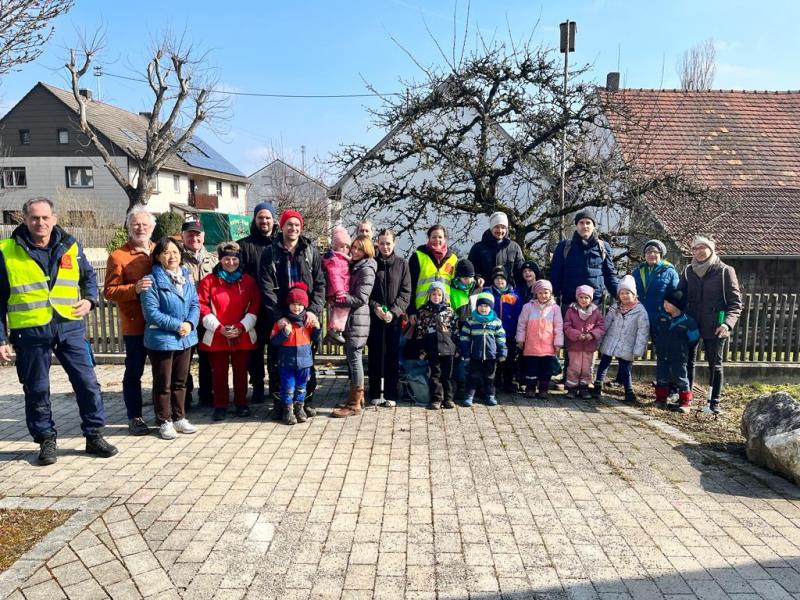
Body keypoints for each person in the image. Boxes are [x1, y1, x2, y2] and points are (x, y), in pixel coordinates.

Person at [0, 197, 118, 465]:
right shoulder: (6, 250)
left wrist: (89, 299)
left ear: (54, 218)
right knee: (37, 389)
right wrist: (1, 338)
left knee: (87, 383)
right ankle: (46, 439)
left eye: (45, 218)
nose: (40, 223)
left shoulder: (71, 245)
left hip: (69, 327)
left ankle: (94, 435)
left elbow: (89, 277)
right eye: (34, 218)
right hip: (30, 332)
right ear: (25, 219)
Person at [259, 209, 326, 420]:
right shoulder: (270, 252)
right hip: (281, 316)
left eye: (297, 225)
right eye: (289, 224)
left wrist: (314, 311)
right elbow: (266, 288)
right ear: (282, 226)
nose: (293, 228)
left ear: (301, 227)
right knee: (278, 363)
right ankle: (281, 405)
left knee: (306, 362)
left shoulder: (310, 251)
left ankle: (304, 402)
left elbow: (320, 284)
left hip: (305, 315)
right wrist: (279, 316)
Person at [551, 209, 619, 387]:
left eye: (588, 223)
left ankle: (586, 378)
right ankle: (569, 377)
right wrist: (552, 296)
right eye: (581, 223)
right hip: (569, 301)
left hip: (593, 304)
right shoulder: (564, 247)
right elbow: (555, 274)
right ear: (576, 225)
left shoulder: (603, 248)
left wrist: (619, 295)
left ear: (594, 226)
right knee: (570, 340)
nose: (585, 226)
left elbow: (610, 275)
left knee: (590, 341)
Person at [141, 237, 200, 440]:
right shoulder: (152, 280)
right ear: (158, 257)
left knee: (180, 381)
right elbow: (151, 313)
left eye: (175, 252)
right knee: (163, 382)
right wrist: (178, 325)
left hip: (186, 338)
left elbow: (195, 304)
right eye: (166, 252)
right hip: (162, 338)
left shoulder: (186, 276)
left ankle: (179, 417)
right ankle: (164, 420)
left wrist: (190, 324)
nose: (172, 256)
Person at [103, 206, 155, 435]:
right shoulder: (118, 256)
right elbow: (109, 291)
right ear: (128, 227)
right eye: (136, 224)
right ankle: (135, 416)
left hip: (160, 323)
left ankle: (166, 411)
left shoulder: (160, 250)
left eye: (145, 224)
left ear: (152, 227)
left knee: (163, 370)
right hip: (135, 323)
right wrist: (134, 289)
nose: (140, 228)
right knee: (134, 371)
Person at [679, 235, 742, 414]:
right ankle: (686, 397)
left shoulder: (724, 271)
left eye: (702, 247)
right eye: (695, 248)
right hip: (691, 324)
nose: (698, 251)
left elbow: (735, 303)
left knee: (715, 364)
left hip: (715, 325)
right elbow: (679, 296)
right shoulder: (688, 271)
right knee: (687, 361)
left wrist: (727, 324)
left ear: (711, 249)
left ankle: (713, 403)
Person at [197, 241, 260, 421]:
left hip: (242, 333)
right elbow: (202, 306)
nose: (230, 262)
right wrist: (219, 328)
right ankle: (220, 404)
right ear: (220, 259)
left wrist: (241, 327)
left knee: (241, 372)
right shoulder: (209, 281)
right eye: (226, 259)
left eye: (234, 259)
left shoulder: (249, 281)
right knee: (219, 373)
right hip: (218, 334)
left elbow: (255, 306)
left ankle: (241, 403)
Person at [237, 201, 279, 404]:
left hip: (275, 307)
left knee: (276, 348)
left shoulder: (279, 244)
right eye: (260, 217)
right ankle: (258, 386)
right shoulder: (244, 246)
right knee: (254, 349)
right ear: (255, 220)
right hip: (253, 308)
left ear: (274, 220)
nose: (264, 221)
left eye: (268, 217)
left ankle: (275, 385)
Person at [332, 234, 377, 418]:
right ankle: (358, 398)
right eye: (354, 247)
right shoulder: (357, 266)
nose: (355, 251)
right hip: (354, 318)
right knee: (352, 359)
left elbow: (361, 298)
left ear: (366, 250)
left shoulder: (366, 269)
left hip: (358, 318)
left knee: (355, 360)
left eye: (359, 248)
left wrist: (341, 299)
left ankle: (354, 404)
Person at [367, 229, 411, 407]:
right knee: (375, 355)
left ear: (394, 244)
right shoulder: (371, 263)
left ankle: (391, 393)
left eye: (388, 243)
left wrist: (393, 312)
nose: (385, 246)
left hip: (394, 318)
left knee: (392, 356)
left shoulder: (402, 264)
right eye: (382, 243)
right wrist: (375, 307)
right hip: (375, 317)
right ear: (377, 243)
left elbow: (406, 292)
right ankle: (376, 392)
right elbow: (365, 290)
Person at [270, 283, 321, 425]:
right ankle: (288, 410)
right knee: (288, 386)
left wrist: (317, 328)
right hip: (287, 362)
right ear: (288, 305)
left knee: (301, 386)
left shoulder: (308, 321)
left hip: (304, 362)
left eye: (299, 304)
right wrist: (284, 333)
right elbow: (273, 341)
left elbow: (316, 338)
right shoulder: (282, 322)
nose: (296, 307)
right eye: (293, 304)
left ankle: (300, 408)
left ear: (305, 305)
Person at [594, 275, 650, 403]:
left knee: (625, 368)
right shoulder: (615, 308)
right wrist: (600, 339)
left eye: (627, 293)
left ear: (634, 294)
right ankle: (598, 385)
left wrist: (638, 349)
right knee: (604, 363)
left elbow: (643, 331)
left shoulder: (640, 311)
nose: (624, 296)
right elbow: (606, 324)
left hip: (627, 343)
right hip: (611, 340)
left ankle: (629, 391)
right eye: (622, 293)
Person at [180, 219, 218, 407]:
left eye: (197, 234)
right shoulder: (176, 259)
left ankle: (207, 394)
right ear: (183, 236)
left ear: (203, 237)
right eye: (190, 234)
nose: (194, 238)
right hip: (184, 318)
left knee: (207, 359)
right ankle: (184, 397)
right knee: (183, 359)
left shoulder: (214, 260)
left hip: (207, 317)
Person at [654, 289, 700, 413]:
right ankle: (660, 399)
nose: (665, 305)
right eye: (664, 302)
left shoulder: (688, 322)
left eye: (668, 303)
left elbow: (694, 338)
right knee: (661, 377)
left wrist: (682, 348)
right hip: (663, 355)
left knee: (681, 378)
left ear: (677, 305)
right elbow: (657, 333)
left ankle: (685, 402)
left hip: (679, 356)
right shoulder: (663, 319)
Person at [414, 281, 458, 410]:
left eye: (439, 295)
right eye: (434, 294)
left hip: (448, 347)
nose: (436, 297)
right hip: (432, 347)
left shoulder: (449, 311)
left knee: (448, 375)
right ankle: (437, 399)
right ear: (429, 295)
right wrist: (422, 349)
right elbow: (420, 331)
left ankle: (449, 398)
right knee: (435, 374)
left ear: (443, 296)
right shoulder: (423, 311)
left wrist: (457, 347)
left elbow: (455, 330)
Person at [516, 280, 563, 400]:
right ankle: (530, 388)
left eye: (546, 292)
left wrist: (558, 343)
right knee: (531, 369)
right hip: (532, 346)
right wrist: (520, 339)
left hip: (548, 347)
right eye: (540, 293)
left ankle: (543, 389)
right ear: (535, 294)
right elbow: (522, 325)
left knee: (546, 370)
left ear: (551, 293)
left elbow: (558, 327)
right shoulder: (528, 307)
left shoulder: (555, 309)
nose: (543, 295)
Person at [459, 291, 507, 407]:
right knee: (473, 376)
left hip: (491, 355)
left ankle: (490, 395)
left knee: (490, 377)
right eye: (480, 305)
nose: (483, 308)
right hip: (474, 355)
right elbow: (464, 338)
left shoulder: (496, 322)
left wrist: (502, 351)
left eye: (486, 306)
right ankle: (469, 396)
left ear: (490, 307)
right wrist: (465, 352)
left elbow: (501, 338)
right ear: (477, 306)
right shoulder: (471, 320)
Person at [563, 285, 605, 399]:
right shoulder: (571, 311)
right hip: (574, 345)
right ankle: (572, 388)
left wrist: (591, 335)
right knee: (574, 367)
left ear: (590, 299)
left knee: (587, 368)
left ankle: (584, 388)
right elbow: (567, 326)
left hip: (589, 346)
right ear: (577, 298)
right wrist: (577, 335)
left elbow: (601, 326)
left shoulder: (596, 312)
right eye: (581, 297)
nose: (583, 300)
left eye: (586, 297)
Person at [632, 239, 679, 338]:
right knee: (636, 347)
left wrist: (669, 314)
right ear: (644, 254)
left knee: (661, 348)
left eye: (655, 252)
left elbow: (675, 295)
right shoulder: (637, 271)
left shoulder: (669, 272)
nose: (651, 254)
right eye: (648, 252)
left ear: (661, 254)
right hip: (640, 316)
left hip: (661, 317)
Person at [408, 224, 458, 317]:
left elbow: (456, 286)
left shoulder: (453, 259)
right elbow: (410, 285)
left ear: (445, 238)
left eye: (440, 237)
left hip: (445, 311)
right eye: (434, 237)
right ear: (429, 238)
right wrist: (411, 311)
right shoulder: (418, 256)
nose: (437, 240)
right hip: (422, 310)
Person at [487, 265, 523, 393]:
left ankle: (508, 382)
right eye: (496, 278)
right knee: (494, 358)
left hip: (509, 333)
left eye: (502, 278)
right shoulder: (488, 293)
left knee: (509, 359)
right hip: (492, 333)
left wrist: (517, 333)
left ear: (507, 280)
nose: (499, 281)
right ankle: (494, 382)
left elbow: (519, 315)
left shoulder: (514, 295)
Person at [467, 211, 525, 287]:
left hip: (508, 293)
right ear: (491, 228)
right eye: (497, 227)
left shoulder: (514, 248)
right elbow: (470, 271)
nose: (500, 231)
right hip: (485, 292)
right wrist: (477, 277)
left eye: (503, 227)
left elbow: (520, 272)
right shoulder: (478, 248)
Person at [450, 258, 480, 401]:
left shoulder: (478, 289)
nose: (467, 280)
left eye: (470, 277)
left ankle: (476, 387)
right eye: (464, 277)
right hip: (459, 329)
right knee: (460, 360)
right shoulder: (452, 290)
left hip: (476, 330)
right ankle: (461, 387)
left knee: (475, 359)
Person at [322, 225, 351, 345]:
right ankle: (334, 330)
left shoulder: (344, 259)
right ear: (335, 246)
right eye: (341, 246)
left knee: (340, 310)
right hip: (338, 290)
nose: (344, 249)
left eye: (346, 246)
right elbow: (335, 277)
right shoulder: (335, 259)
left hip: (341, 289)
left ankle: (335, 331)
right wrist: (339, 291)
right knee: (342, 308)